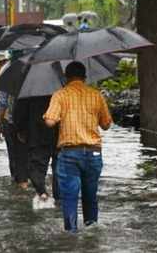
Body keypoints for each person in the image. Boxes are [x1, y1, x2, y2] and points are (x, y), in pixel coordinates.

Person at [44, 61, 112, 233]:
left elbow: (50, 122)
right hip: (93, 153)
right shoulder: (96, 95)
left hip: (69, 154)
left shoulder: (60, 95)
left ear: (66, 78)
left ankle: (71, 233)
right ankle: (92, 228)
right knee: (90, 196)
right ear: (85, 77)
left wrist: (49, 117)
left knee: (70, 197)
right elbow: (106, 125)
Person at [14, 96, 58, 201]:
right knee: (59, 167)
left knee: (37, 167)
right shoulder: (61, 92)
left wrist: (20, 130)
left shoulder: (28, 91)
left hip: (37, 135)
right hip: (58, 135)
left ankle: (42, 192)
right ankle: (58, 197)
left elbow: (19, 114)